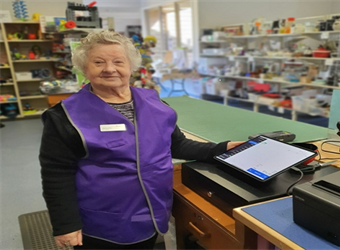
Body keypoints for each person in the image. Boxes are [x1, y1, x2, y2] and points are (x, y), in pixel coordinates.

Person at [39, 30, 242, 250]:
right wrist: (65, 224)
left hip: (151, 213)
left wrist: (221, 148)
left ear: (131, 66)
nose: (109, 69)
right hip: (102, 223)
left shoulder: (155, 103)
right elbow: (56, 173)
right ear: (84, 68)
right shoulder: (65, 116)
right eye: (98, 62)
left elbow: (177, 144)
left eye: (118, 61)